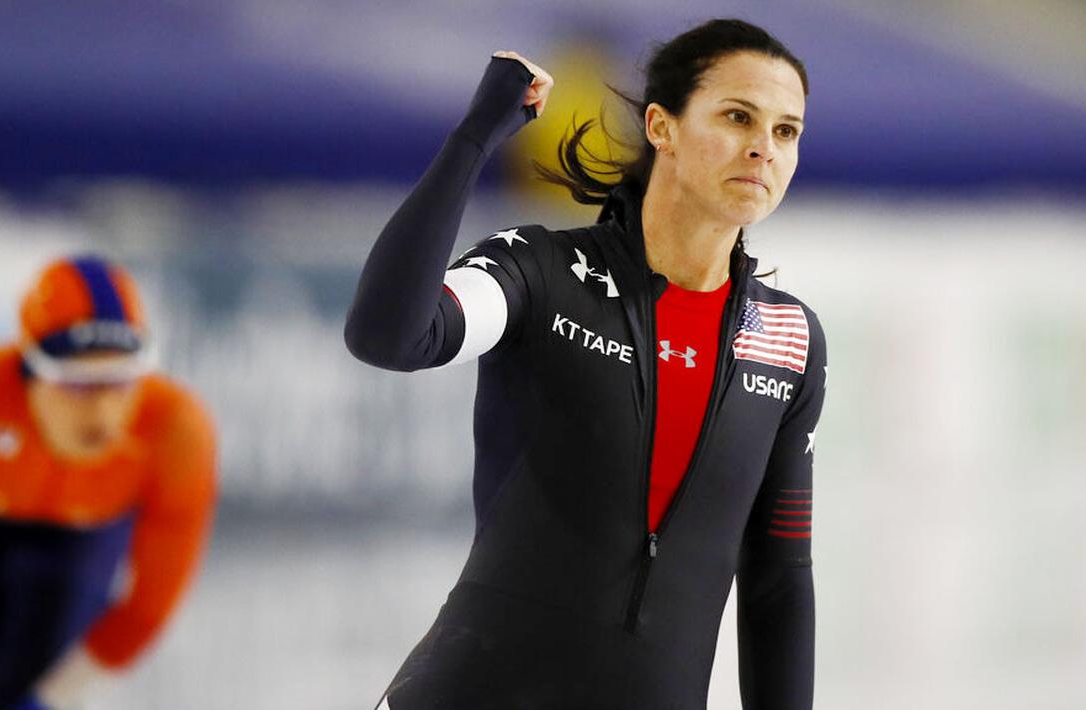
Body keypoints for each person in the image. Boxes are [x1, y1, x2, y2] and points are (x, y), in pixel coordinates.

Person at [344, 18, 826, 710]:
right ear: (661, 128)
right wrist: (472, 139)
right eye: (736, 116)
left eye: (786, 131)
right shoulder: (542, 272)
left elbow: (778, 578)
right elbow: (389, 335)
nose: (762, 148)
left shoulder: (785, 337)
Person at [0, 256, 218, 710]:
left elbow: (148, 606)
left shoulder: (176, 433)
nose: (103, 414)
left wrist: (55, 699)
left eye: (122, 381)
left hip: (66, 549)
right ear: (30, 373)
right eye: (79, 384)